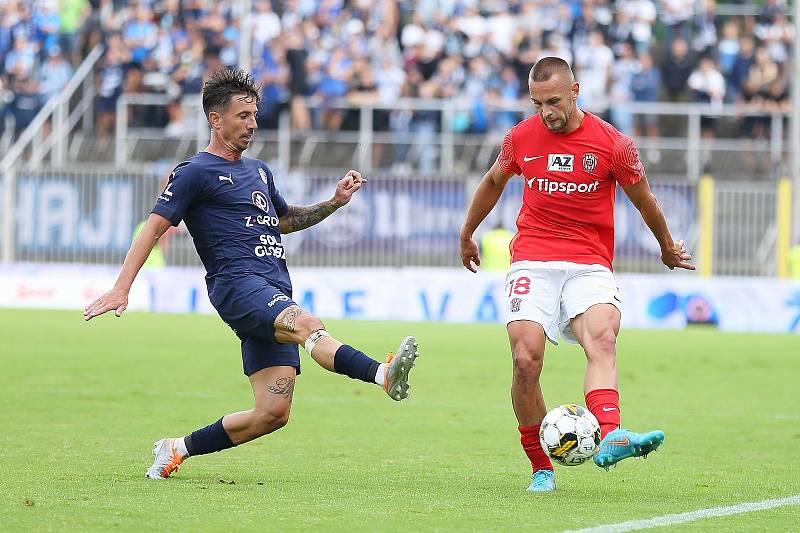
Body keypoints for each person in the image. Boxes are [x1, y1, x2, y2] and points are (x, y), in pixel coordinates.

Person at [84, 69, 420, 480]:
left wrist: (334, 202)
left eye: (255, 115)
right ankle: (383, 374)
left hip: (272, 285)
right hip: (237, 286)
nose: (253, 124)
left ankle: (177, 448)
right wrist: (122, 287)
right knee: (308, 323)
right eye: (243, 115)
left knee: (272, 414)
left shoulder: (259, 170)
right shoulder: (194, 172)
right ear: (215, 119)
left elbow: (283, 220)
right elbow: (155, 226)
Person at [459, 57, 694, 493]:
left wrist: (665, 245)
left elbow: (644, 200)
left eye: (553, 101)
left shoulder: (613, 144)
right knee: (525, 359)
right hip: (532, 258)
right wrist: (467, 231)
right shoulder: (521, 139)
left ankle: (612, 434)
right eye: (537, 103)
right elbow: (494, 182)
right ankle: (540, 466)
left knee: (603, 337)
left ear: (575, 91)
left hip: (589, 261)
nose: (546, 112)